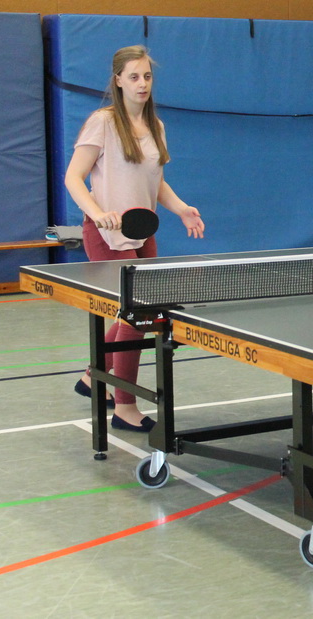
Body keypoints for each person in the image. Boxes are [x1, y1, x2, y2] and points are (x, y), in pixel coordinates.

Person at [65, 45, 205, 433]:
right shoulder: (103, 122)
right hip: (106, 234)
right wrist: (97, 213)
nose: (142, 83)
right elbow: (73, 177)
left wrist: (181, 208)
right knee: (136, 316)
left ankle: (93, 376)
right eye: (133, 77)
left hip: (143, 233)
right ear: (118, 81)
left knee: (139, 313)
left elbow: (154, 181)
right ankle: (124, 406)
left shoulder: (155, 126)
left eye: (146, 76)